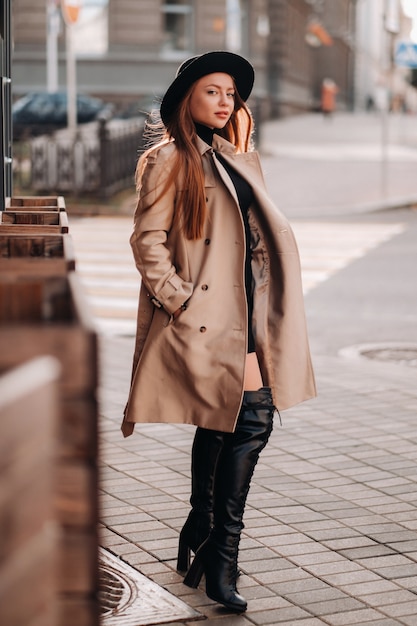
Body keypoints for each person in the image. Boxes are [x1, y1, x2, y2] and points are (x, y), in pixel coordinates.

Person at [122, 51, 316, 613]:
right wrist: (179, 301)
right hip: (207, 316)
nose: (226, 101)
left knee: (227, 417)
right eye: (213, 91)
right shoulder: (170, 161)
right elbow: (147, 242)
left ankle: (201, 528)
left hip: (251, 310)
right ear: (188, 98)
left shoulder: (235, 157)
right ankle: (221, 556)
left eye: (232, 93)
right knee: (250, 418)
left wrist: (244, 145)